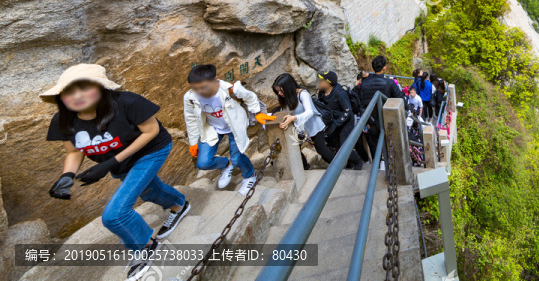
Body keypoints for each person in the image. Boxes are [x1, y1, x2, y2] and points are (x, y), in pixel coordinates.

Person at [44, 64, 190, 281]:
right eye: (69, 92)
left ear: (101, 88)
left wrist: (109, 163)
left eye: (84, 88)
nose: (77, 96)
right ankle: (179, 204)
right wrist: (67, 176)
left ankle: (146, 246)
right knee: (149, 192)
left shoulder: (128, 103)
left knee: (115, 215)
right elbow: (74, 152)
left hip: (151, 150)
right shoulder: (63, 120)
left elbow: (152, 131)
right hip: (118, 162)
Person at [183, 64, 275, 196]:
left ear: (215, 79)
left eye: (203, 87)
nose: (199, 92)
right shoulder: (190, 97)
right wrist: (193, 142)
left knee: (238, 158)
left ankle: (249, 176)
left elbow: (250, 97)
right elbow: (190, 118)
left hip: (235, 124)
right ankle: (227, 164)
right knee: (203, 163)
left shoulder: (231, 90)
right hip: (212, 128)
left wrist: (257, 112)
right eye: (195, 88)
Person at [271, 73, 333, 168]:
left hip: (313, 126)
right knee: (295, 149)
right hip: (299, 129)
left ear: (288, 87)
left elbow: (310, 112)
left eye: (281, 91)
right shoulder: (285, 97)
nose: (279, 93)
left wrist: (294, 118)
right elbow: (285, 112)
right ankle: (305, 167)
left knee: (322, 150)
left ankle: (339, 166)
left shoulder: (303, 93)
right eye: (277, 91)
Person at [352, 55, 405, 160]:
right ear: (384, 67)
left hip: (369, 121)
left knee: (374, 148)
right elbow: (401, 99)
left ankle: (377, 166)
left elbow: (359, 100)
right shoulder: (389, 83)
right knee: (388, 145)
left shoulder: (364, 83)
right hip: (386, 121)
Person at [315, 71, 363, 170]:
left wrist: (335, 124)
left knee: (344, 146)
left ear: (328, 83)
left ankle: (358, 161)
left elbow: (348, 111)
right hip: (334, 121)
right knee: (335, 144)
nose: (319, 82)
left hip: (346, 121)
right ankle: (349, 162)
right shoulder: (321, 93)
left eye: (321, 80)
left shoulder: (340, 93)